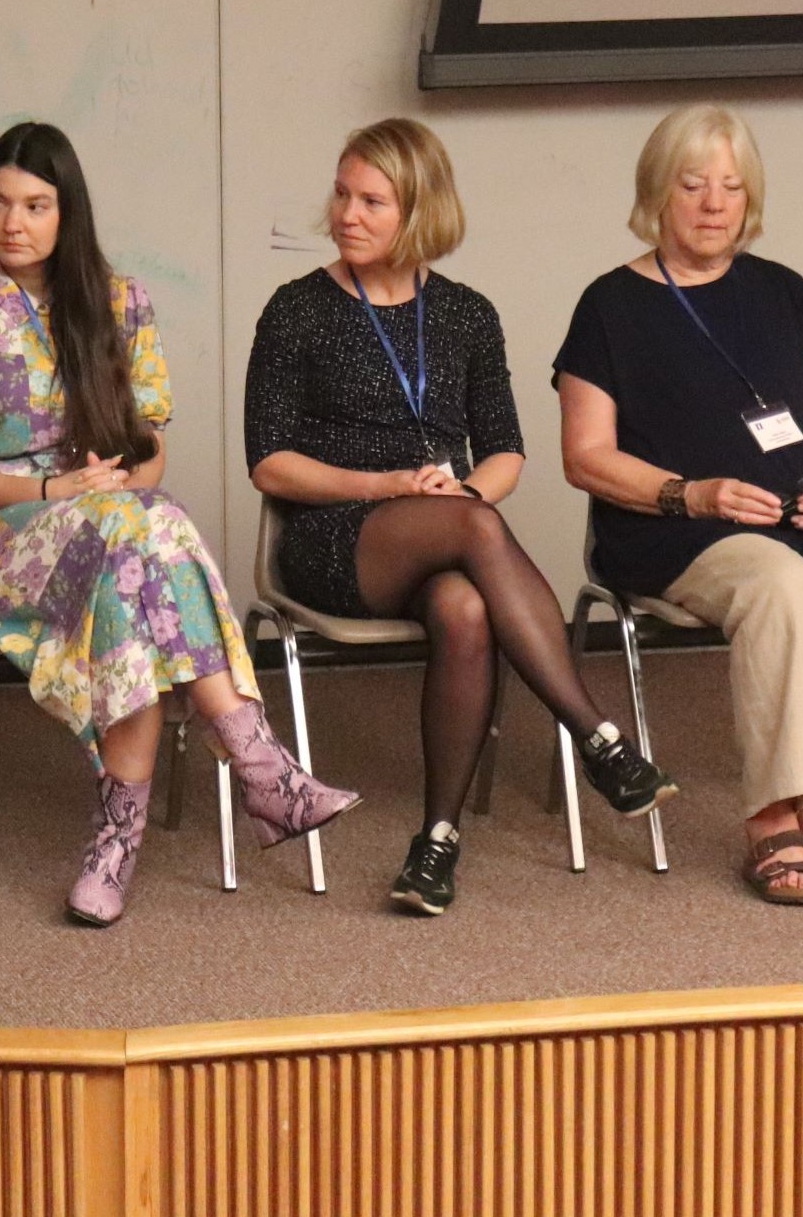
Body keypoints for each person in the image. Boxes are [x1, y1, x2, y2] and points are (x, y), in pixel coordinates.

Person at [0, 121, 356, 926]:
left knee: (135, 550)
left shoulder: (119, 301)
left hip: (107, 534)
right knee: (143, 531)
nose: (13, 223)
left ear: (68, 212)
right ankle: (258, 765)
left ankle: (119, 841)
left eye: (36, 205)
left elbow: (148, 456)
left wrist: (102, 495)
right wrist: (54, 493)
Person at [245, 117, 676, 917]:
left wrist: (464, 496)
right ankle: (597, 737)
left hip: (446, 531)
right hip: (334, 536)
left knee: (466, 603)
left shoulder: (467, 314)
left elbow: (506, 451)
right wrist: (382, 485)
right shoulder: (296, 309)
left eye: (373, 200)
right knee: (474, 534)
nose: (348, 214)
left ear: (420, 211)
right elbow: (269, 462)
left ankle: (435, 841)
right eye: (343, 194)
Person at [555, 104, 803, 906]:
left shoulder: (784, 293)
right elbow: (584, 457)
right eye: (694, 185)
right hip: (674, 531)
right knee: (779, 588)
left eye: (731, 186)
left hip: (795, 514)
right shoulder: (609, 306)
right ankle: (771, 817)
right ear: (660, 192)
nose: (715, 203)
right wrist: (692, 494)